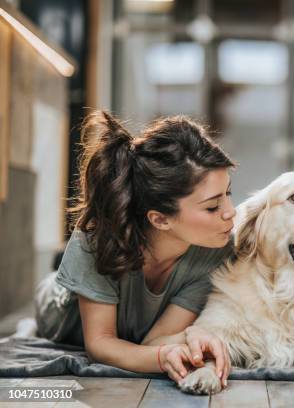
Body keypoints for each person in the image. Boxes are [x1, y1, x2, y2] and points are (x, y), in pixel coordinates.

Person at [34, 111, 236, 386]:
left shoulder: (217, 248)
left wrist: (190, 337)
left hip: (138, 324)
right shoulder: (95, 240)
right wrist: (162, 357)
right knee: (53, 288)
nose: (230, 213)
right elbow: (100, 345)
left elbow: (154, 341)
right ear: (160, 219)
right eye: (213, 206)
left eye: (228, 194)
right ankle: (66, 271)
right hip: (61, 315)